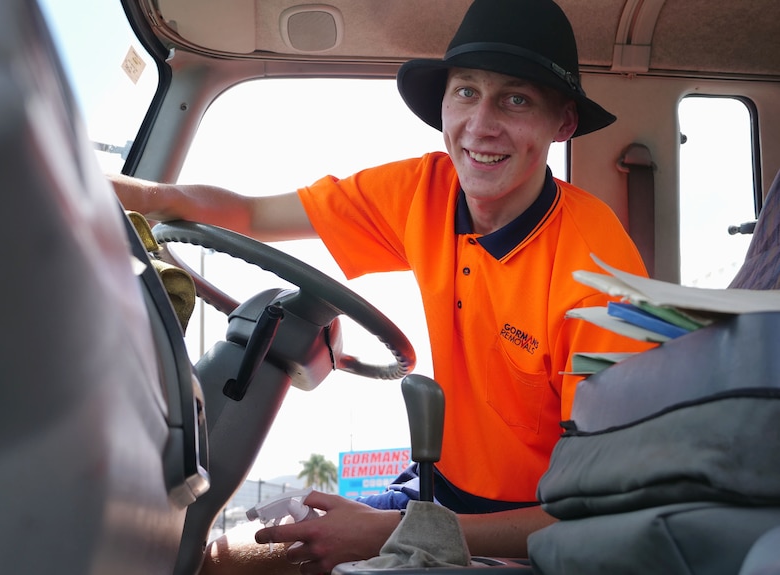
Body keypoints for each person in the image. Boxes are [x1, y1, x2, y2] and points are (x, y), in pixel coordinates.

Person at [112, 0, 653, 572]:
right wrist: (137, 197)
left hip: (529, 534)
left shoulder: (598, 280)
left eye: (516, 99)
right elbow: (253, 214)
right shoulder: (426, 190)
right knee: (217, 559)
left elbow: (597, 516)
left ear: (562, 123)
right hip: (433, 492)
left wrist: (387, 532)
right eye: (466, 91)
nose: (481, 124)